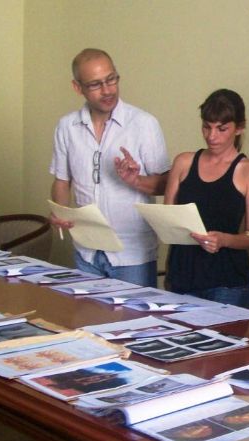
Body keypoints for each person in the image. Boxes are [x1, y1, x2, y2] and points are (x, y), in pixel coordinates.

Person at [49, 48, 170, 287]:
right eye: (95, 84)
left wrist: (135, 180)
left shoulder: (144, 124)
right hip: (86, 250)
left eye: (111, 79)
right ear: (77, 87)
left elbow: (166, 184)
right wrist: (60, 211)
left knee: (137, 324)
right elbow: (62, 180)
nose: (107, 90)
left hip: (132, 253)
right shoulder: (66, 127)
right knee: (87, 322)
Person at [164, 89, 249, 309]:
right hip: (181, 276)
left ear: (239, 128)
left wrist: (224, 240)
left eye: (222, 129)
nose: (212, 136)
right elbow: (167, 218)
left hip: (227, 284)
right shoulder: (183, 162)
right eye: (206, 127)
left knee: (226, 344)